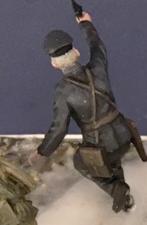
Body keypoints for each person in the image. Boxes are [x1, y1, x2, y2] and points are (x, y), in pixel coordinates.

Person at [33, 11, 138, 214]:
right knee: (113, 163)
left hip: (101, 147)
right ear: (77, 53)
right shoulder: (98, 68)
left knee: (81, 163)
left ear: (54, 64)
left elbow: (59, 128)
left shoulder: (62, 91)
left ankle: (115, 188)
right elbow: (97, 45)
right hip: (125, 136)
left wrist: (42, 151)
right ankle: (125, 200)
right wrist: (85, 23)